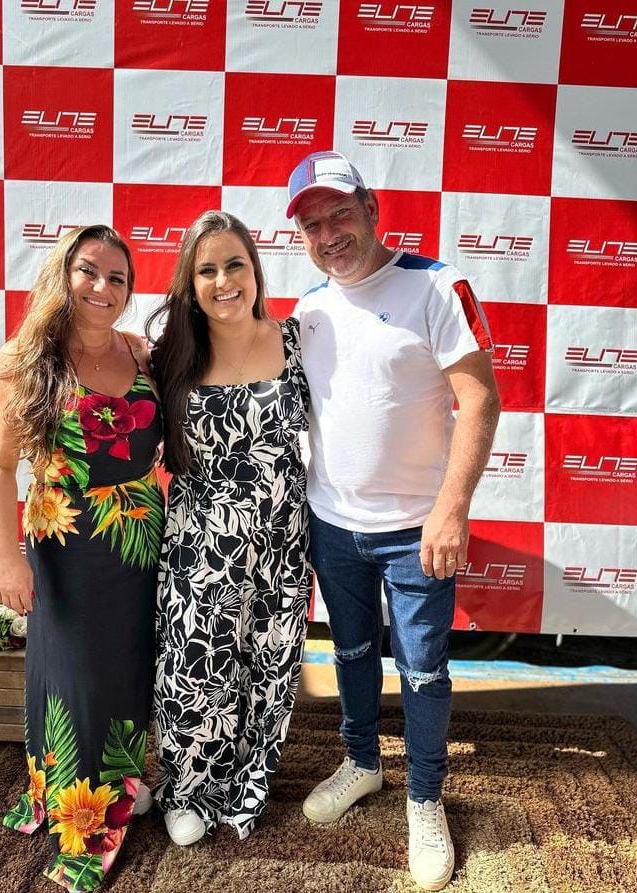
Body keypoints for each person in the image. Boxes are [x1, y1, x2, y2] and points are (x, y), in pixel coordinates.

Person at [286, 151, 501, 891]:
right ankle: (363, 763)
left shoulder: (437, 286)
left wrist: (452, 507)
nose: (329, 234)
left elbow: (481, 399)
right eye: (312, 225)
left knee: (423, 668)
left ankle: (424, 797)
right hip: (331, 523)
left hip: (417, 530)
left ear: (372, 209)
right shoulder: (308, 309)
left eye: (340, 214)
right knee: (349, 653)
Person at [0, 225, 164, 892]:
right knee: (75, 678)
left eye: (118, 278)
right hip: (66, 545)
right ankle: (83, 825)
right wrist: (7, 560)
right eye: (89, 271)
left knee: (126, 670)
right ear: (63, 274)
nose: (102, 287)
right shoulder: (23, 361)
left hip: (139, 543)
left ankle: (117, 783)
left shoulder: (139, 351)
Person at [147, 210, 311, 846]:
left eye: (234, 264)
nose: (223, 281)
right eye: (207, 270)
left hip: (282, 541)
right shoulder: (168, 358)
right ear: (190, 285)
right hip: (200, 542)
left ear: (255, 269)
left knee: (270, 666)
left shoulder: (295, 341)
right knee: (196, 667)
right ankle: (189, 789)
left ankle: (247, 784)